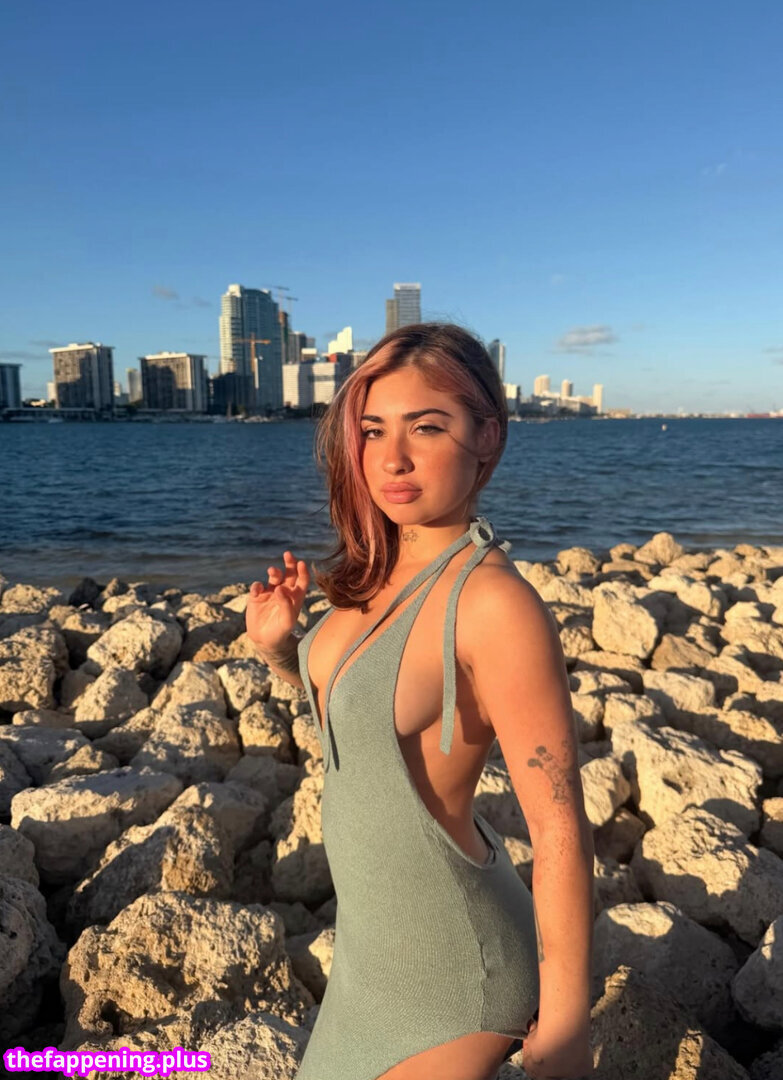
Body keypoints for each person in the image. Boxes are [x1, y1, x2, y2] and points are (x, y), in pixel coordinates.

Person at [246, 323, 594, 1080]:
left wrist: (568, 1021)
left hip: (456, 971)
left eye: (426, 427)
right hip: (369, 957)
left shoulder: (492, 605)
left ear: (486, 437)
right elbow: (361, 723)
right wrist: (279, 649)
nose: (391, 458)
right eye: (373, 430)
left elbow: (559, 826)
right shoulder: (372, 576)